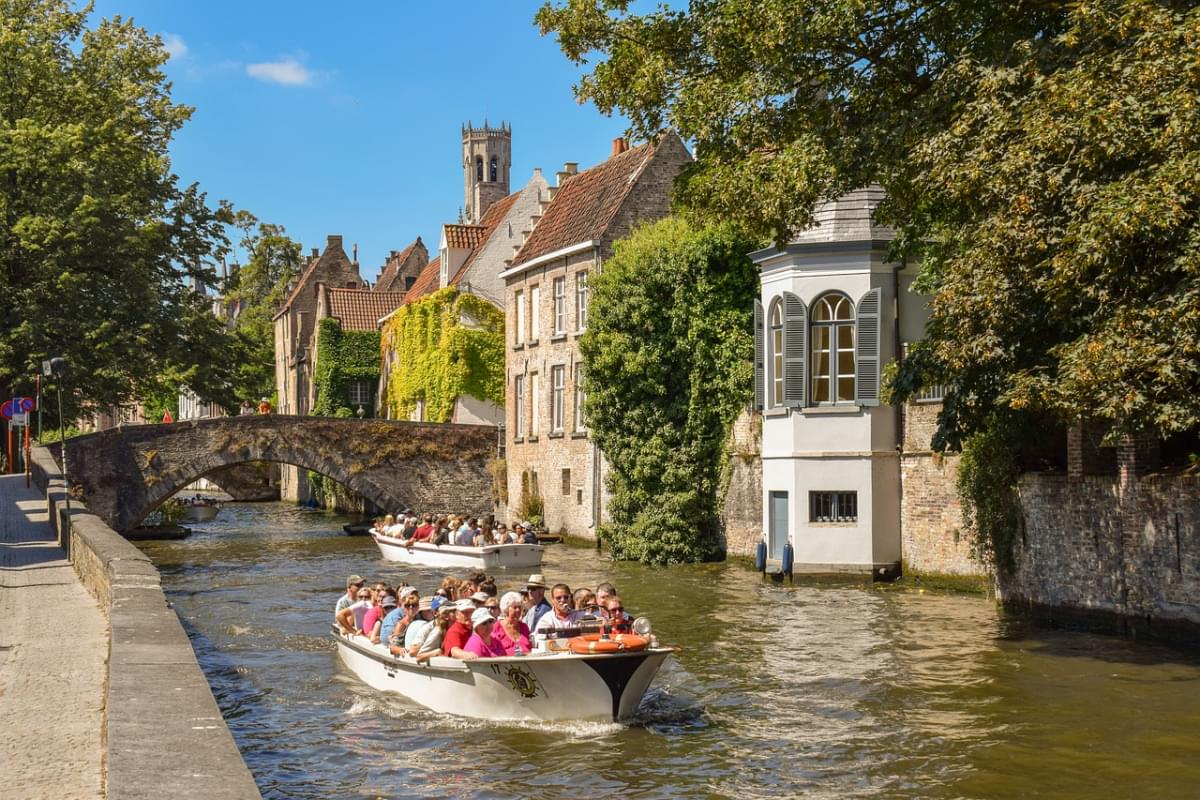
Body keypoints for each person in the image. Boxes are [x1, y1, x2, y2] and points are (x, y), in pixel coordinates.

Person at [493, 591, 531, 656]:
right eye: (515, 607)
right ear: (506, 609)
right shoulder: (496, 627)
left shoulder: (524, 627)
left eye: (519, 607)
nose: (518, 610)